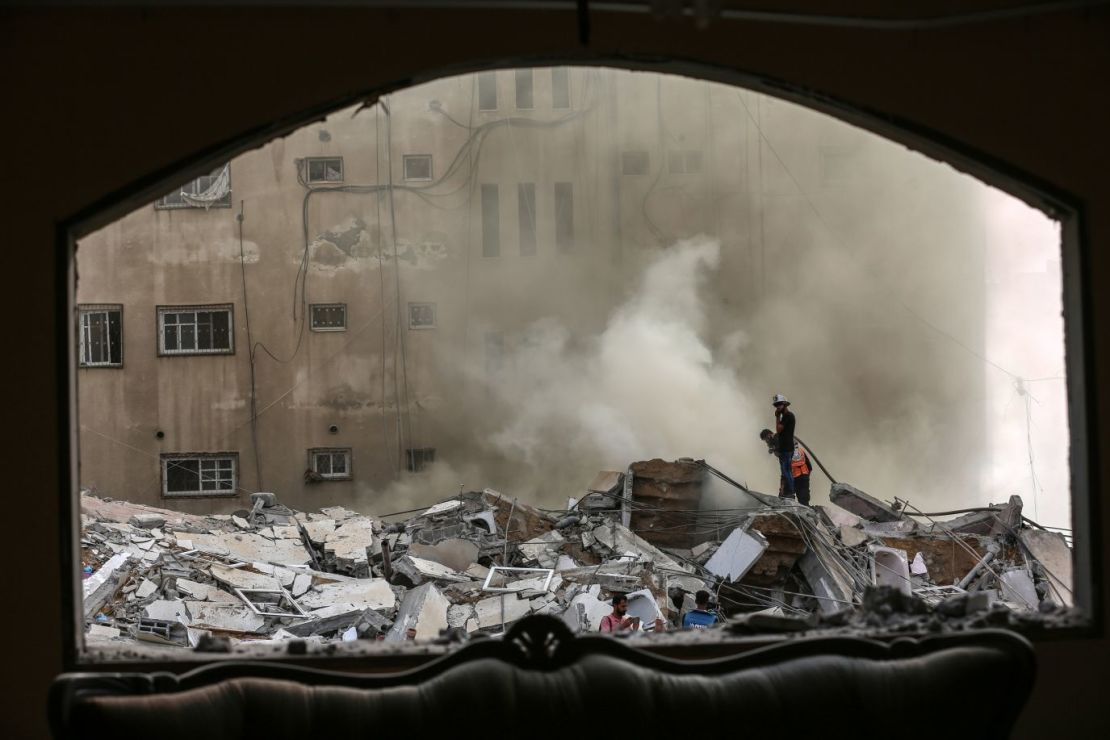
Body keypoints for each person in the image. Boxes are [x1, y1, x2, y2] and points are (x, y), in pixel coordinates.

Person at [760, 428, 812, 506]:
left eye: (766, 441)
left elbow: (785, 473)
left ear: (769, 436)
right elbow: (809, 466)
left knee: (785, 499)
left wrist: (782, 488)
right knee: (804, 502)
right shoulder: (797, 449)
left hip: (794, 478)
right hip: (804, 476)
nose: (767, 444)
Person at [772, 394, 796, 499]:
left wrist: (777, 417)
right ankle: (787, 492)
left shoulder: (788, 416)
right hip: (784, 448)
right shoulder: (785, 416)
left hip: (787, 448)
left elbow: (778, 429)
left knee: (786, 471)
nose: (778, 407)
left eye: (780, 404)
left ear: (785, 404)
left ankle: (791, 492)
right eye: (776, 405)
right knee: (785, 471)